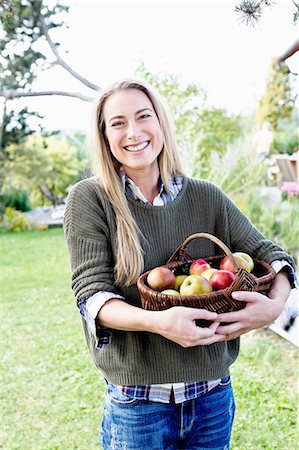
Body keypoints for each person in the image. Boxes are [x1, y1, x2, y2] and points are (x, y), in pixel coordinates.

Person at [64, 78, 296, 450]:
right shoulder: (90, 199)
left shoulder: (206, 196)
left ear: (160, 123)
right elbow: (92, 296)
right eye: (118, 122)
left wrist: (272, 308)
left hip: (212, 399)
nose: (134, 132)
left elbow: (276, 257)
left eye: (143, 116)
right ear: (104, 135)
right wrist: (159, 322)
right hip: (138, 405)